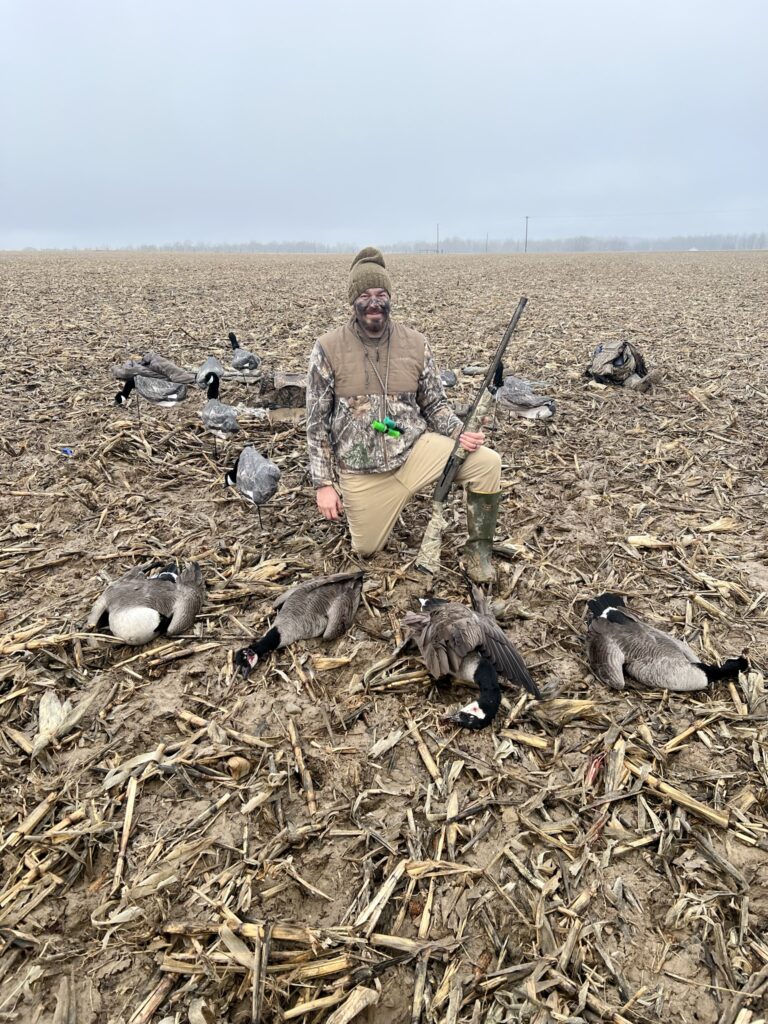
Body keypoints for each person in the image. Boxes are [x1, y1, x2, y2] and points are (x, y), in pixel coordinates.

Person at [306, 247, 502, 583]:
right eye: (365, 295)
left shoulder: (415, 343)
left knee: (487, 462)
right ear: (353, 301)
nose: (374, 302)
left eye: (381, 294)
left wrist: (459, 432)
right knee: (367, 549)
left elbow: (436, 405)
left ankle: (478, 554)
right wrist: (324, 483)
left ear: (390, 297)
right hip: (362, 470)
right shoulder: (328, 348)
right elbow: (316, 423)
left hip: (415, 452)